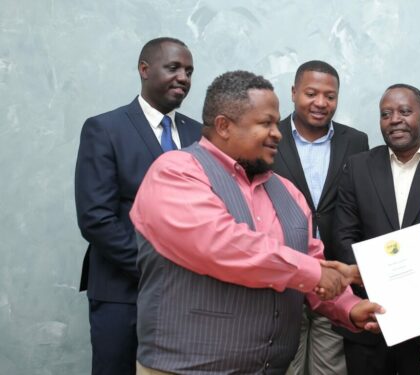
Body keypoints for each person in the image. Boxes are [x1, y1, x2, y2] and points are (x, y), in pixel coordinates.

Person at [130, 70, 382, 374]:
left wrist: (349, 308)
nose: (277, 133)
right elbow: (223, 245)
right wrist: (314, 272)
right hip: (183, 368)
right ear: (223, 126)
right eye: (266, 123)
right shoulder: (176, 172)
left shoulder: (288, 192)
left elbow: (310, 261)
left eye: (276, 123)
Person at [74, 37, 202, 375]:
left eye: (189, 71)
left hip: (186, 296)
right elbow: (95, 218)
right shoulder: (105, 128)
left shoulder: (199, 135)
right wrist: (153, 267)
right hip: (122, 290)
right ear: (144, 70)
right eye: (173, 68)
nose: (183, 78)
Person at [333, 84, 420, 374]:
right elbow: (343, 235)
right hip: (371, 316)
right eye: (386, 114)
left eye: (405, 111)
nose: (395, 119)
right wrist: (376, 283)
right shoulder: (358, 167)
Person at [272, 60, 369, 375]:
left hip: (335, 275)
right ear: (293, 93)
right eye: (311, 93)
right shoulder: (270, 137)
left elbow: (357, 206)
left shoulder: (355, 141)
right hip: (283, 276)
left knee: (331, 369)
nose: (320, 103)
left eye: (330, 96)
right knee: (286, 365)